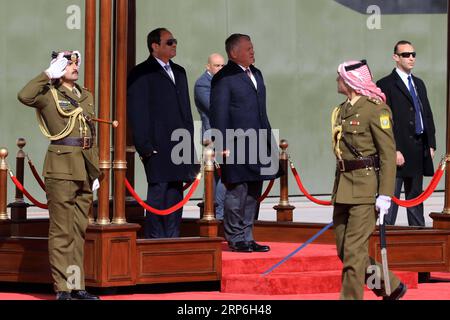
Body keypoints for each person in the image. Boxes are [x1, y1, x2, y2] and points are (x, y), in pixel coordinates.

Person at [18, 50, 100, 300]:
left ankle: (77, 286)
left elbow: (91, 135)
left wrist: (94, 170)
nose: (75, 67)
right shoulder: (48, 93)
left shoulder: (86, 95)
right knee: (62, 230)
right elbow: (24, 95)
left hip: (84, 168)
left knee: (78, 230)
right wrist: (47, 74)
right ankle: (62, 288)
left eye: (76, 63)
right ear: (58, 67)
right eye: (68, 64)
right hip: (62, 167)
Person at [331, 59, 406, 300]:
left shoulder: (375, 109)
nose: (336, 81)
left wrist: (385, 193)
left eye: (339, 77)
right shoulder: (342, 110)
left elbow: (387, 155)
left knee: (354, 253)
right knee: (344, 251)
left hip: (365, 189)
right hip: (343, 187)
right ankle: (389, 285)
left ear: (351, 81)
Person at [210, 34, 280, 253]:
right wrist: (220, 144)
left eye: (252, 47)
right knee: (236, 192)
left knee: (252, 193)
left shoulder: (256, 74)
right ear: (233, 53)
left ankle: (248, 236)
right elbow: (218, 113)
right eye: (248, 48)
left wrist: (270, 143)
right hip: (235, 145)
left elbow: (262, 112)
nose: (252, 51)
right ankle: (235, 237)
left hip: (259, 143)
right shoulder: (224, 78)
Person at [127, 28, 199, 239]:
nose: (174, 44)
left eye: (175, 41)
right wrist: (144, 146)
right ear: (154, 46)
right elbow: (137, 111)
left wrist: (189, 144)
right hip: (157, 145)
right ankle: (155, 241)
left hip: (180, 144)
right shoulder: (141, 72)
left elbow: (185, 110)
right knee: (158, 194)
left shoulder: (180, 72)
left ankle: (173, 239)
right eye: (169, 42)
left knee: (176, 193)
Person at [376, 40, 436, 226]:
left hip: (418, 150)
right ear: (395, 57)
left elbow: (426, 113)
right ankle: (385, 240)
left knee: (415, 200)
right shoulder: (386, 84)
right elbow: (383, 122)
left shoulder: (419, 83)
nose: (411, 58)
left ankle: (418, 238)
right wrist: (393, 150)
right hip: (397, 153)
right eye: (405, 55)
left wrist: (431, 144)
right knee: (390, 200)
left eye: (413, 54)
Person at [194, 53, 226, 220]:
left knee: (216, 175)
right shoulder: (202, 84)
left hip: (224, 134)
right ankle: (217, 214)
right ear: (208, 66)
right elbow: (214, 108)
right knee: (221, 173)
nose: (220, 69)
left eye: (222, 66)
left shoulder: (222, 81)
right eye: (216, 66)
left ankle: (214, 212)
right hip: (212, 136)